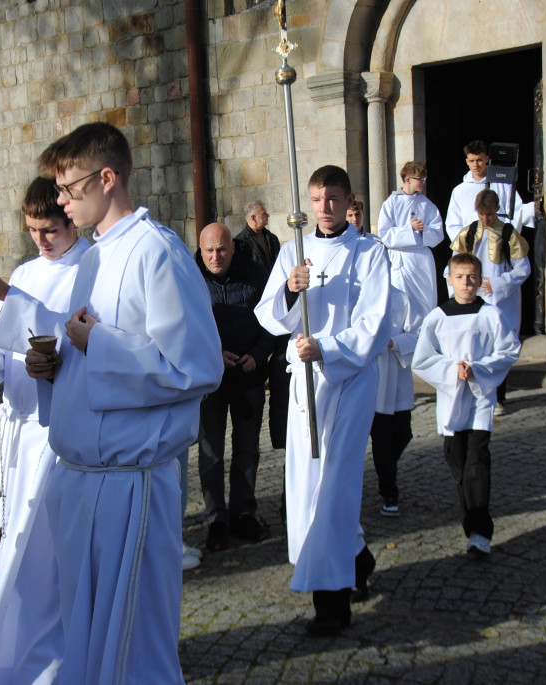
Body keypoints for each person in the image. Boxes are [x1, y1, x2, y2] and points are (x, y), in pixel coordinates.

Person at [0, 122, 222, 684]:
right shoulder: (93, 258)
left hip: (130, 483)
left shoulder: (160, 252)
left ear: (108, 179)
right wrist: (55, 364)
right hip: (78, 474)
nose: (59, 201)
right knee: (73, 633)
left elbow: (196, 367)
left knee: (133, 646)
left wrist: (95, 344)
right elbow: (83, 350)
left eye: (69, 189)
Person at [0, 175, 90, 685]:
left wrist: (49, 358)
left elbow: (71, 337)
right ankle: (12, 658)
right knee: (6, 554)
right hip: (11, 437)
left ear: (69, 219)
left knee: (43, 563)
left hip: (51, 437)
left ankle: (52, 666)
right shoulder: (26, 270)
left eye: (50, 229)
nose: (41, 240)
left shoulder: (88, 271)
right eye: (32, 229)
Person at [254, 165, 391, 636]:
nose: (323, 208)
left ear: (348, 201)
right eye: (316, 199)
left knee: (334, 486)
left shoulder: (370, 253)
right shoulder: (296, 251)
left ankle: (331, 606)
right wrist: (291, 289)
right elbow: (269, 316)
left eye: (332, 198)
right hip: (306, 384)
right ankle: (357, 558)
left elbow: (375, 323)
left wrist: (327, 347)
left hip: (349, 380)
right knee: (308, 483)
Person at [412, 253, 520, 557]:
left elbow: (509, 349)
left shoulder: (491, 315)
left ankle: (479, 533)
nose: (466, 283)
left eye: (472, 277)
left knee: (477, 464)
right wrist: (450, 369)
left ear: (479, 278)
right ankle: (471, 521)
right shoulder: (437, 317)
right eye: (460, 277)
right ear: (449, 279)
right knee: (458, 464)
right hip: (450, 402)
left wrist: (479, 369)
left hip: (480, 399)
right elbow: (422, 358)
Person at [195, 222, 273, 552]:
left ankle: (243, 512)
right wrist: (210, 354)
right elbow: (182, 326)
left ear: (232, 247)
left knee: (247, 449)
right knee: (211, 452)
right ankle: (216, 518)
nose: (216, 256)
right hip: (210, 380)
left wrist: (258, 354)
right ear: (200, 250)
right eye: (209, 250)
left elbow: (274, 318)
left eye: (222, 249)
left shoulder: (256, 273)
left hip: (249, 374)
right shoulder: (189, 277)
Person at [450, 189, 530, 414]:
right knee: (472, 345)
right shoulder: (469, 232)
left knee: (498, 346)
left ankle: (498, 397)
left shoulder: (508, 233)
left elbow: (523, 268)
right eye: (482, 214)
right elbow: (455, 264)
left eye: (490, 214)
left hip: (499, 299)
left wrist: (498, 283)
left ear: (497, 210)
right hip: (472, 297)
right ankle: (472, 395)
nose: (486, 219)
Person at [234, 200, 289, 457]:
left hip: (273, 299)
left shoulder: (273, 239)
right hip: (254, 303)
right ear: (251, 218)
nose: (266, 216)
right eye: (263, 213)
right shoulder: (241, 243)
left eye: (266, 212)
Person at [369, 286, 422, 519]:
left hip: (397, 376)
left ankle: (386, 467)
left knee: (403, 434)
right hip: (372, 378)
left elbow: (417, 333)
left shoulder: (401, 297)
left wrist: (393, 342)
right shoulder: (362, 294)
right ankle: (389, 492)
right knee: (382, 438)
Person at [378, 161, 445, 322]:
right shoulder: (391, 203)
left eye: (424, 178)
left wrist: (423, 230)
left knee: (425, 300)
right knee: (404, 300)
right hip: (402, 258)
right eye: (419, 178)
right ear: (407, 180)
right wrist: (409, 229)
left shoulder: (427, 204)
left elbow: (438, 232)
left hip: (422, 259)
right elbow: (384, 234)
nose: (423, 181)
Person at [445, 140, 523, 241]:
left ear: (487, 159)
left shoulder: (503, 185)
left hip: (499, 242)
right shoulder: (459, 190)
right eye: (472, 161)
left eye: (479, 160)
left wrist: (507, 239)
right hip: (471, 244)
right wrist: (465, 243)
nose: (476, 165)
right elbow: (453, 223)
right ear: (467, 161)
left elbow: (516, 213)